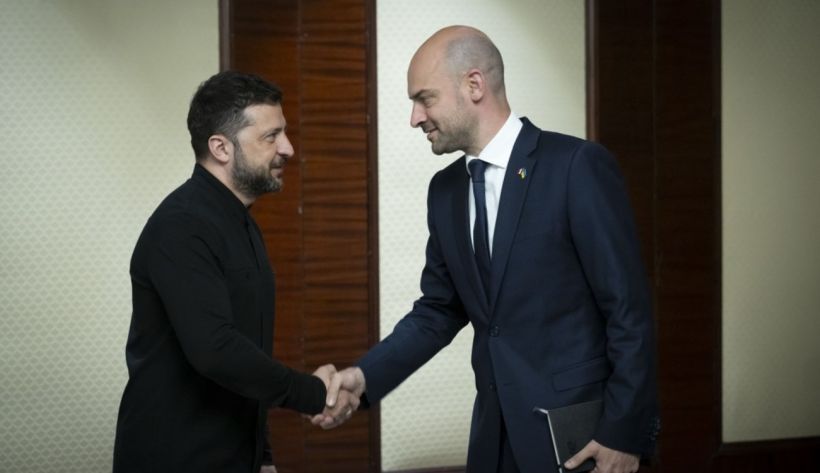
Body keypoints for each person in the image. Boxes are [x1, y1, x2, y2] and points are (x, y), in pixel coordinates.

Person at [318, 26, 660, 473]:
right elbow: (437, 312)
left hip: (582, 442)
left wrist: (624, 435)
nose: (415, 118)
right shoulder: (445, 191)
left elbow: (629, 312)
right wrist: (363, 377)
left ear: (474, 85)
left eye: (425, 99)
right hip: (493, 443)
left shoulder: (575, 167)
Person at [113, 71, 357, 473]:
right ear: (221, 148)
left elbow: (248, 352)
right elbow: (217, 350)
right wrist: (313, 393)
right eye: (271, 136)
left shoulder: (240, 222)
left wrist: (263, 456)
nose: (288, 148)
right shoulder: (182, 226)